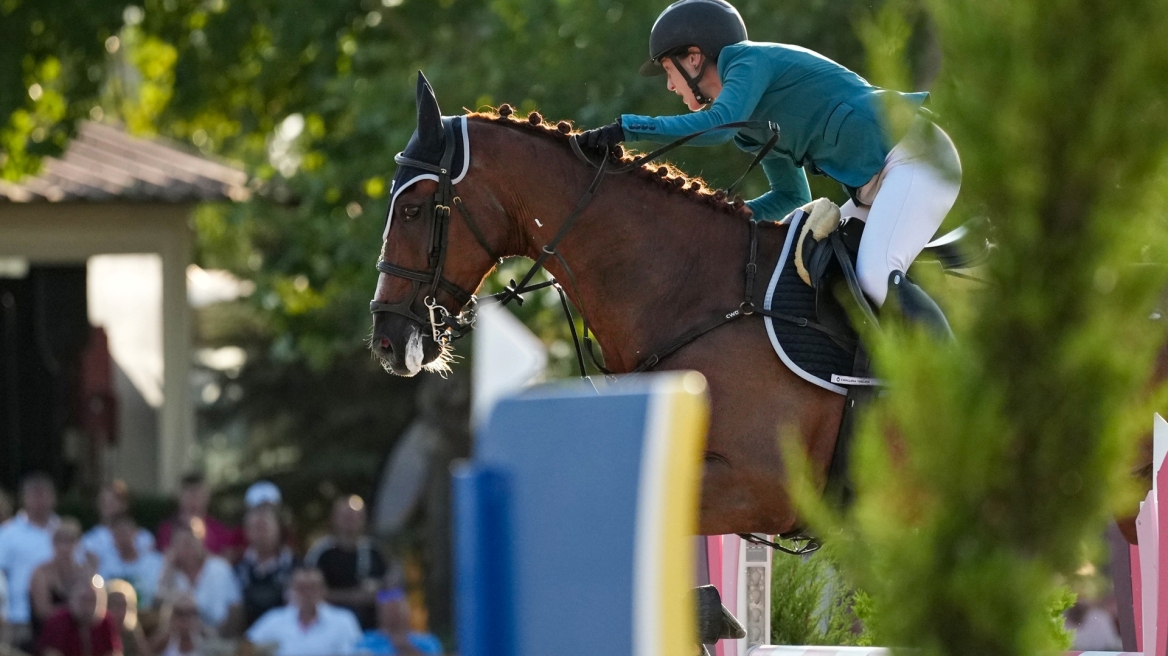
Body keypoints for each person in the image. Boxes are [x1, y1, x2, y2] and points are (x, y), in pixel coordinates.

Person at [578, 0, 962, 315]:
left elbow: (717, 127)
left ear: (693, 58)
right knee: (818, 269)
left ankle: (952, 377)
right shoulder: (749, 128)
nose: (669, 85)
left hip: (915, 154)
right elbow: (790, 196)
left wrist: (629, 128)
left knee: (875, 275)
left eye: (668, 69)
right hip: (878, 183)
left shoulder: (747, 61)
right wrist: (729, 218)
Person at [304, 497, 388, 630]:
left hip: (370, 627)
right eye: (345, 516)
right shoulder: (321, 553)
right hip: (329, 627)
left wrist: (378, 590)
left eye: (355, 516)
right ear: (334, 518)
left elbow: (389, 587)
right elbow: (310, 591)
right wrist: (354, 596)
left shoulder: (374, 552)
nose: (350, 520)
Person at [0, 473, 60, 648]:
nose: (40, 501)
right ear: (24, 499)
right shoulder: (7, 534)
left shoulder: (63, 531)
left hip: (58, 619)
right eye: (35, 495)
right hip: (19, 618)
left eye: (44, 495)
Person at [246, 568, 362, 656]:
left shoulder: (344, 620)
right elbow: (247, 648)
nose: (307, 594)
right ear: (290, 591)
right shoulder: (273, 619)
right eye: (301, 588)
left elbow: (355, 652)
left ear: (323, 590)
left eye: (313, 588)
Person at [155, 520, 241, 633]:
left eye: (191, 541)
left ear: (201, 541)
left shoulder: (220, 568)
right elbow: (156, 604)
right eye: (182, 542)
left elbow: (235, 608)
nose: (187, 547)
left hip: (218, 636)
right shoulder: (168, 572)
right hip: (180, 637)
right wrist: (167, 569)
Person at [29, 518, 95, 642]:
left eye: (70, 541)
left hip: (79, 636)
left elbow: (94, 607)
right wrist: (75, 611)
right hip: (48, 634)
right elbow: (42, 611)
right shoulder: (41, 573)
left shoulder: (86, 573)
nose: (65, 547)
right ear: (53, 543)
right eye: (60, 541)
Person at [234, 505, 297, 629]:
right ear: (246, 531)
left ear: (278, 529)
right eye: (256, 527)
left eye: (264, 526)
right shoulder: (237, 570)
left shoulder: (296, 568)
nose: (261, 533)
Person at [155, 473, 240, 558]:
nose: (194, 500)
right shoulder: (167, 530)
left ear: (207, 497)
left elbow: (227, 559)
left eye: (198, 495)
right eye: (189, 495)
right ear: (180, 497)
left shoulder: (219, 530)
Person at [37, 576, 121, 656]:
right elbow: (51, 653)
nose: (87, 605)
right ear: (72, 598)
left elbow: (113, 652)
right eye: (84, 599)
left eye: (92, 600)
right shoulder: (58, 621)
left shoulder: (106, 622)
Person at [81, 482, 156, 571]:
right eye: (104, 502)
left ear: (125, 504)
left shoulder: (144, 537)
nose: (108, 506)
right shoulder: (90, 540)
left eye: (113, 501)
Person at [99, 514, 164, 608]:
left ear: (135, 533)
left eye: (126, 532)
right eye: (118, 533)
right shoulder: (105, 565)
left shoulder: (155, 562)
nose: (123, 537)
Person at [353, 589, 443, 656]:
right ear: (380, 614)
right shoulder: (365, 642)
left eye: (397, 610)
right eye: (389, 610)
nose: (394, 615)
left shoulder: (427, 642)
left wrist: (406, 647)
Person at [106, 579, 151, 656]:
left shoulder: (131, 631)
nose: (121, 611)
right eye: (116, 605)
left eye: (125, 606)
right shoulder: (99, 628)